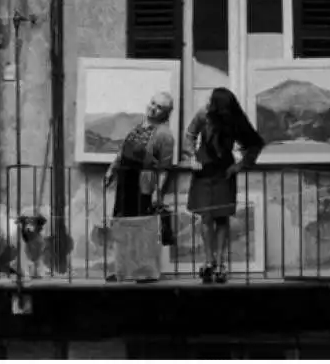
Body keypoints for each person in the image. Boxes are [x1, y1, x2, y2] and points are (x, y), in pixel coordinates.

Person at [182, 87, 264, 284]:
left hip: (223, 172)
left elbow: (255, 144)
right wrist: (191, 157)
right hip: (203, 171)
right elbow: (189, 135)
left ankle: (220, 263)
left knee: (221, 218)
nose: (210, 104)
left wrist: (239, 166)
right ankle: (209, 261)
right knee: (206, 216)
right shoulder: (203, 114)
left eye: (213, 102)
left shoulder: (235, 120)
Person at [104, 91, 175, 219]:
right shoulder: (138, 127)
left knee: (138, 222)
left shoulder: (165, 135)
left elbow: (164, 169)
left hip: (143, 185)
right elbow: (123, 151)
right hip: (125, 181)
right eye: (153, 103)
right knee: (121, 220)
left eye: (159, 107)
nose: (153, 108)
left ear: (166, 114)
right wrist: (112, 169)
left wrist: (157, 194)